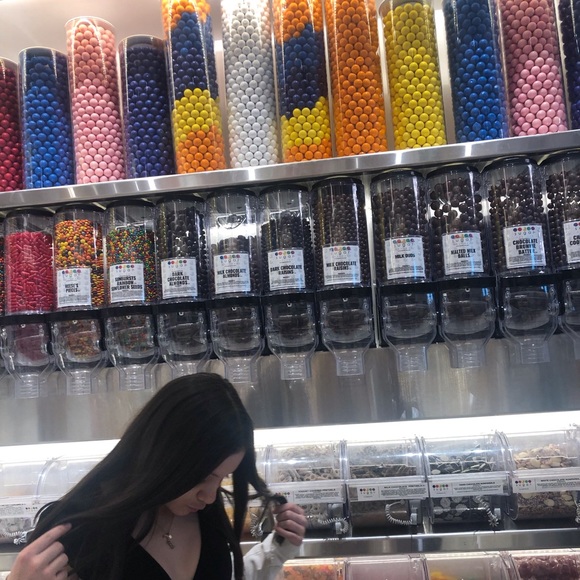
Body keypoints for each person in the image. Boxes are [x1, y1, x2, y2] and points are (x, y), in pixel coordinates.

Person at [8, 373, 307, 580]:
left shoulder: (205, 514)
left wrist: (275, 551)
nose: (210, 496)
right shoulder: (78, 530)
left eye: (222, 479)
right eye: (202, 476)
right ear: (165, 455)